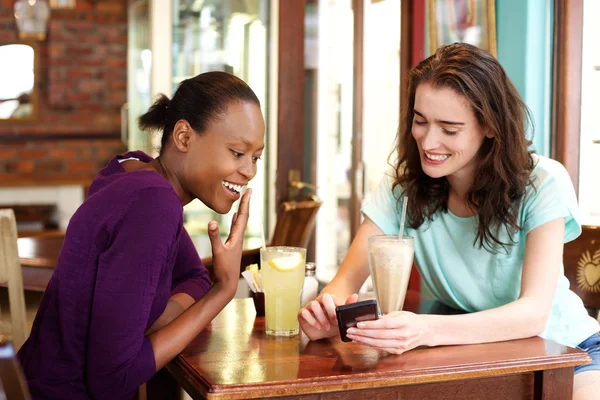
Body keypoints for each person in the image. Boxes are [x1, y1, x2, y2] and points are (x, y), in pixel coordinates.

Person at [298, 43, 600, 399]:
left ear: (490, 126)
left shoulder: (542, 182)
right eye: (420, 121)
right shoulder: (403, 190)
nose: (429, 141)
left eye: (450, 128)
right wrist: (325, 314)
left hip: (565, 352)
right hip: (469, 356)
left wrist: (424, 330)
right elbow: (344, 282)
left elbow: (533, 314)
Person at [17, 71, 265, 399]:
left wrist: (148, 325)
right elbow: (113, 379)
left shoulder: (133, 168)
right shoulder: (153, 202)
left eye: (256, 157)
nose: (250, 171)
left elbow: (193, 276)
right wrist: (224, 290)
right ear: (184, 137)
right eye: (237, 153)